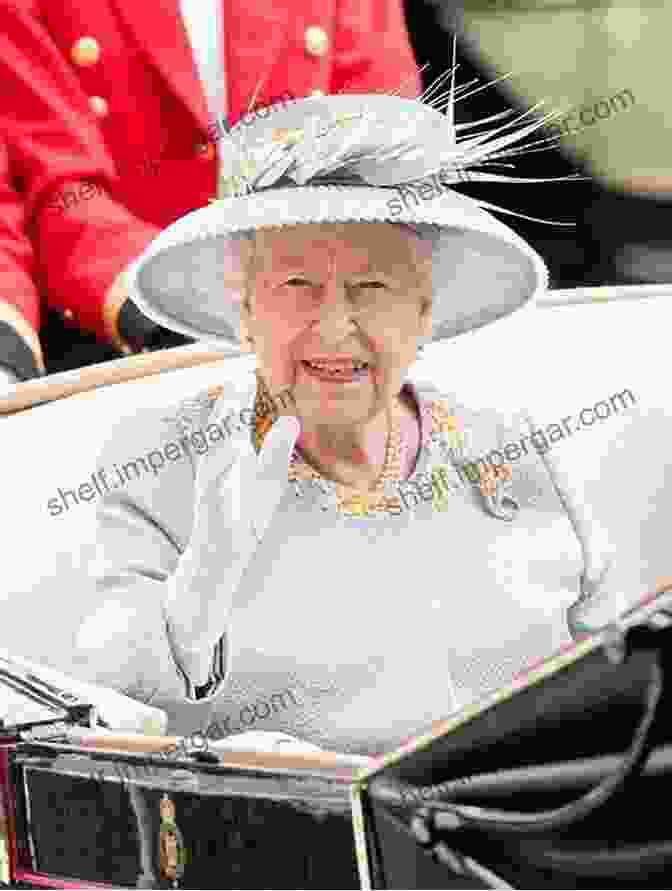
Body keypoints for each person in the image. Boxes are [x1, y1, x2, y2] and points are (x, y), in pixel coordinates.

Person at [68, 85, 628, 756]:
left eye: (372, 288)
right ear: (244, 311)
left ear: (425, 312)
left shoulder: (511, 443)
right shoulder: (161, 464)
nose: (335, 326)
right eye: (297, 286)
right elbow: (107, 721)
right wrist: (207, 576)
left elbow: (621, 673)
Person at [0, 0, 421, 375]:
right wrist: (185, 297)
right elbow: (61, 186)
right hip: (129, 343)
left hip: (330, 322)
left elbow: (384, 151)